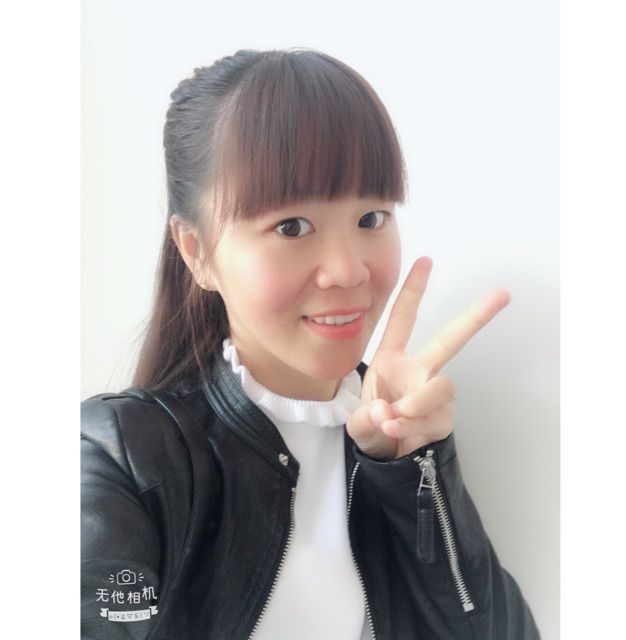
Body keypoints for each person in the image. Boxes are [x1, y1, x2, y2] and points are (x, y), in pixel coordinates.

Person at [81, 48, 539, 639]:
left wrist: (414, 468)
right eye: (291, 227)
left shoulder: (395, 437)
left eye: (371, 219)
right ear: (197, 251)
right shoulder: (118, 456)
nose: (347, 271)